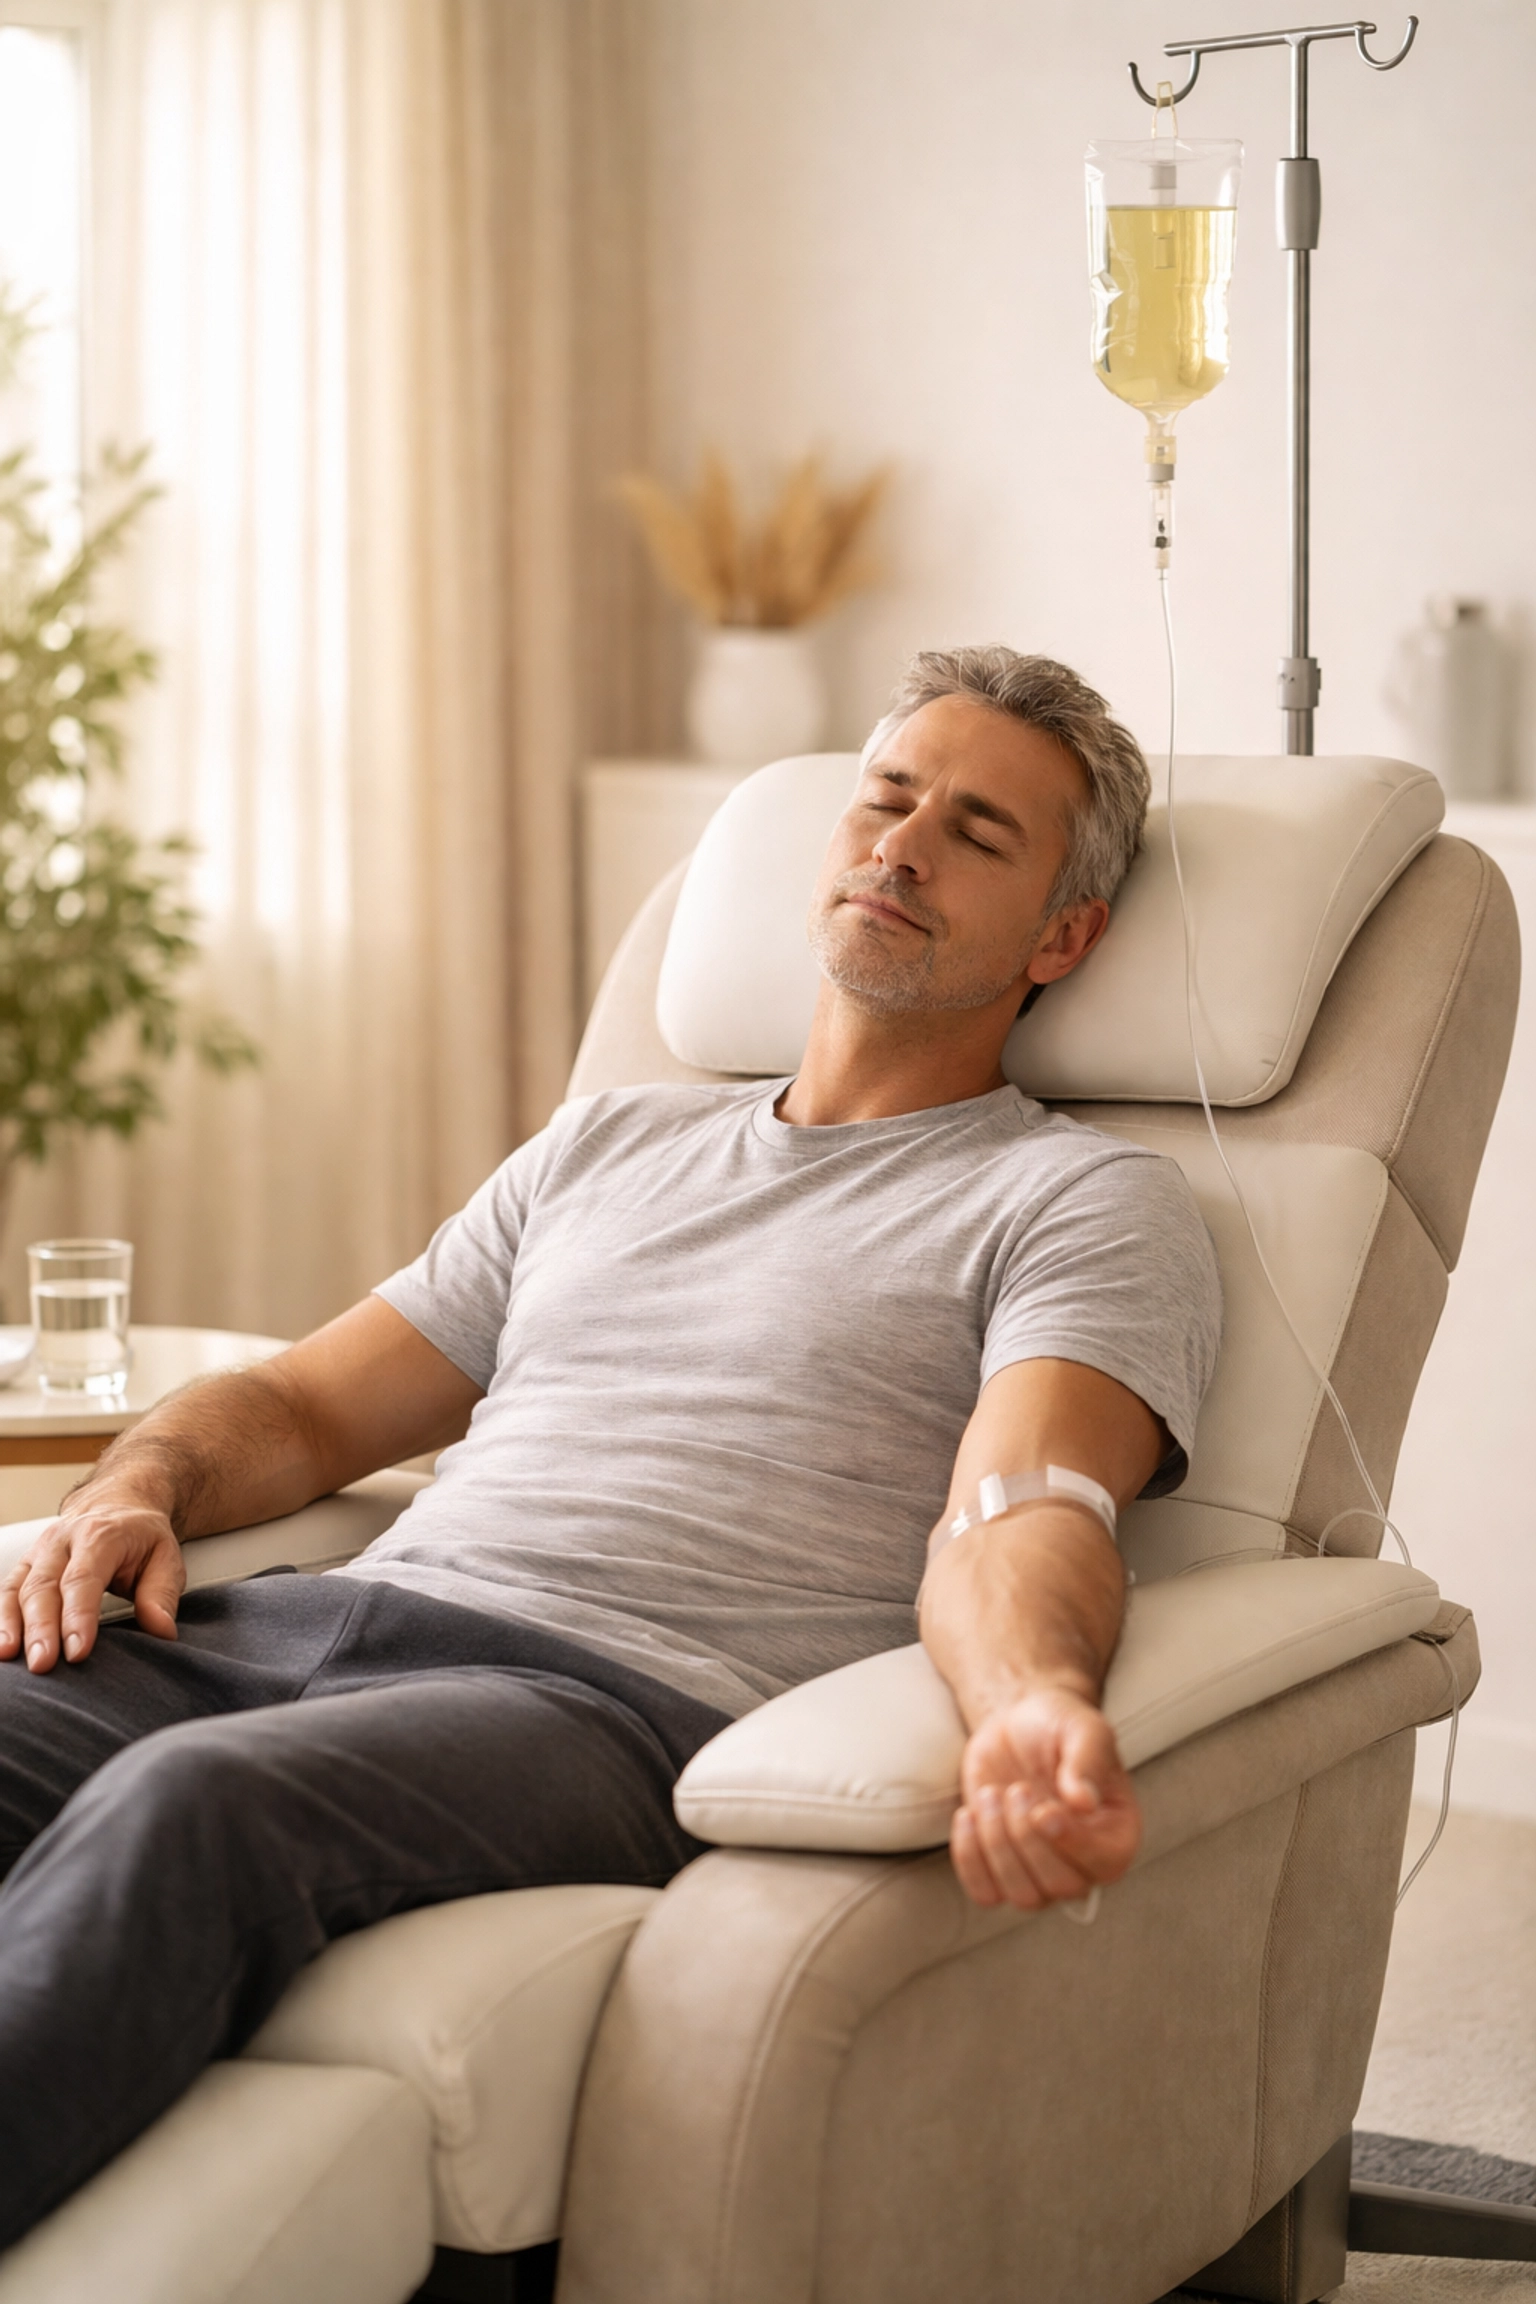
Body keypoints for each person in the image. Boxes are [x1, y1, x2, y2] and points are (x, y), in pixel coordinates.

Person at [0, 645, 1220, 2247]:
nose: (902, 845)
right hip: (293, 1624)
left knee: (196, 1812)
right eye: (887, 797)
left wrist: (1031, 1704)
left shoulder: (1075, 1200)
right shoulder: (609, 1139)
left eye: (978, 833)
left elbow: (1021, 1506)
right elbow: (303, 1407)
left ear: (1064, 934)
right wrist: (133, 1489)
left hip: (594, 1702)